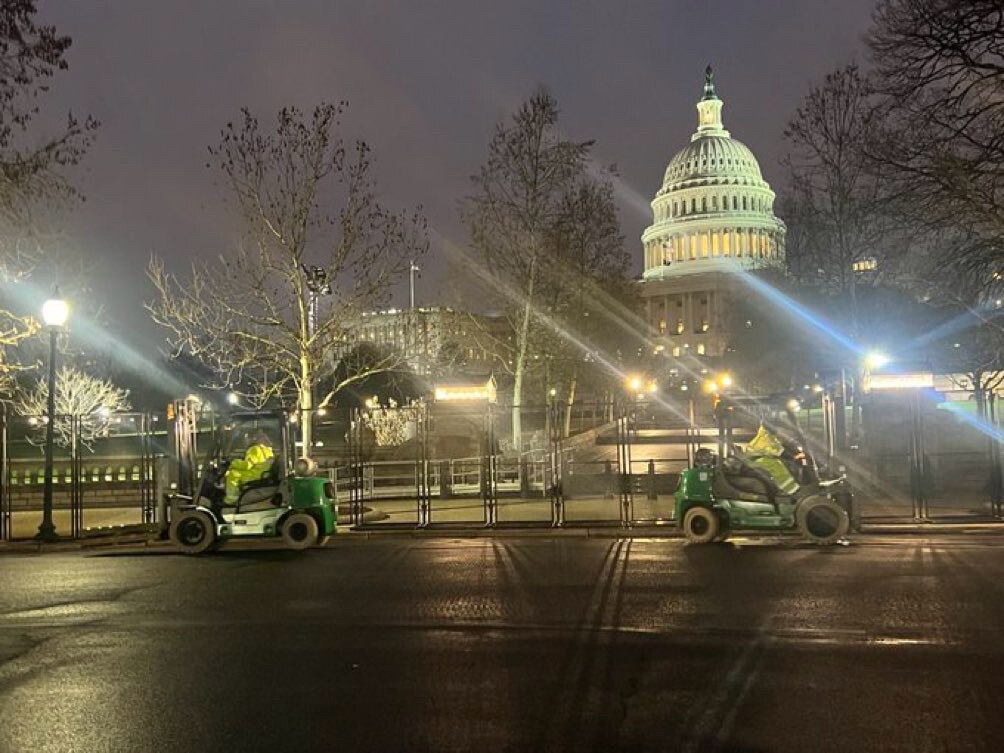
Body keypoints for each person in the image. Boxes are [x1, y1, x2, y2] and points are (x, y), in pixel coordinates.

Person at [223, 433, 275, 505]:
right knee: (236, 472)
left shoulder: (254, 449)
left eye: (247, 438)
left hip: (256, 474)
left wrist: (234, 462)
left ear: (253, 439)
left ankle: (231, 500)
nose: (246, 441)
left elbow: (247, 465)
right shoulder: (267, 450)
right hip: (263, 472)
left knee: (233, 474)